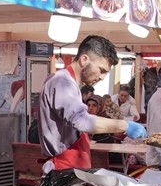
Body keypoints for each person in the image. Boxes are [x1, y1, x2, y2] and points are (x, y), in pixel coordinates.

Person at [37, 35, 146, 171]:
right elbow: (82, 121)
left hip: (72, 168)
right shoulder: (63, 82)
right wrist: (125, 126)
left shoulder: (69, 82)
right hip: (62, 169)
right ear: (84, 60)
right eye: (101, 70)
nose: (102, 77)